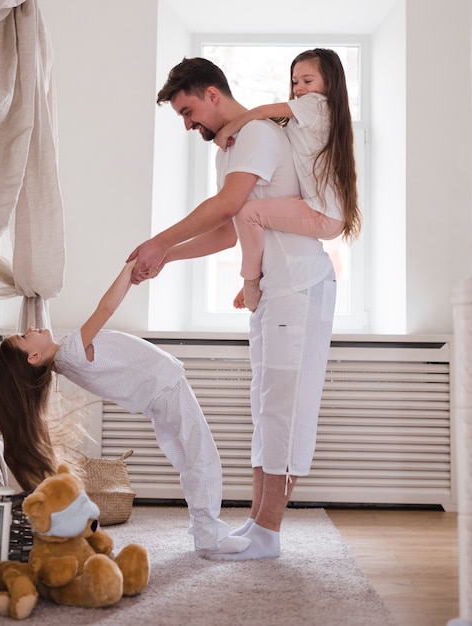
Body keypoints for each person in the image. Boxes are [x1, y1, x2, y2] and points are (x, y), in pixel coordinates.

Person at [127, 57, 337, 561]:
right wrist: (168, 256)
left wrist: (158, 241)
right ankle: (259, 526)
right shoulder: (231, 146)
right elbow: (231, 227)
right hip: (273, 289)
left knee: (285, 408)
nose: (187, 123)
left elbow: (228, 208)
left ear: (213, 94)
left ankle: (268, 534)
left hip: (299, 286)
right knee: (266, 408)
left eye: (188, 109)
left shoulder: (259, 134)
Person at [0, 260, 250, 557]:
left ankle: (206, 529)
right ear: (34, 356)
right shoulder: (72, 353)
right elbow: (105, 309)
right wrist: (128, 270)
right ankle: (210, 537)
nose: (31, 327)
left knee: (190, 459)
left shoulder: (67, 356)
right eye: (24, 336)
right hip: (165, 389)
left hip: (160, 393)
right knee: (201, 456)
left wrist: (132, 276)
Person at [213, 48, 361, 311]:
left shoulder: (317, 104)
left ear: (330, 82)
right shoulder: (312, 115)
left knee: (248, 213)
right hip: (324, 211)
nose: (300, 88)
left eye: (308, 80)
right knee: (261, 219)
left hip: (323, 214)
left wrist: (228, 129)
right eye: (295, 82)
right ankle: (258, 277)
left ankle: (250, 281)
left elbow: (261, 111)